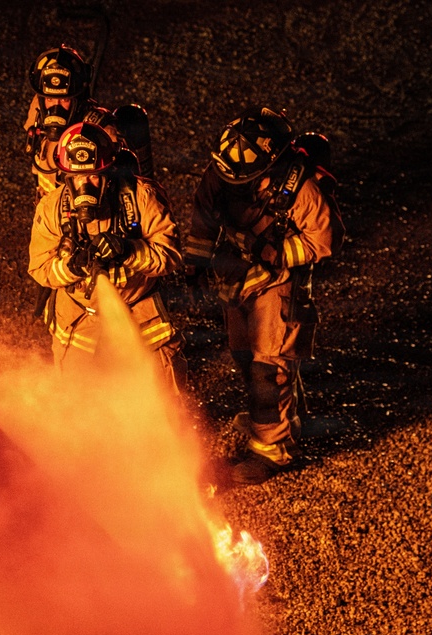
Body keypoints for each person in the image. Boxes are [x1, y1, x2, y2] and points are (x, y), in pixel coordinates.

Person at [184, 105, 344, 484]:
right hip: (236, 278)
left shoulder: (300, 187)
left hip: (276, 284)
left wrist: (277, 254)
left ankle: (273, 452)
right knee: (245, 357)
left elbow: (325, 239)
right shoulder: (225, 169)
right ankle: (282, 420)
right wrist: (195, 266)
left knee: (267, 369)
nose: (229, 183)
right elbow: (204, 213)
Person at [28, 121, 185, 391]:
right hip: (79, 319)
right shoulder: (52, 208)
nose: (84, 185)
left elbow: (169, 256)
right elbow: (40, 267)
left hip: (138, 312)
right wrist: (72, 267)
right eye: (77, 177)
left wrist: (129, 250)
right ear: (65, 176)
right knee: (77, 405)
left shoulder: (142, 197)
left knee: (162, 396)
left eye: (93, 176)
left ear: (108, 172)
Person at [23, 44, 119, 203]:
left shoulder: (100, 131)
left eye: (65, 100)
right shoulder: (38, 109)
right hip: (49, 211)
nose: (55, 107)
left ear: (78, 98)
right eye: (49, 99)